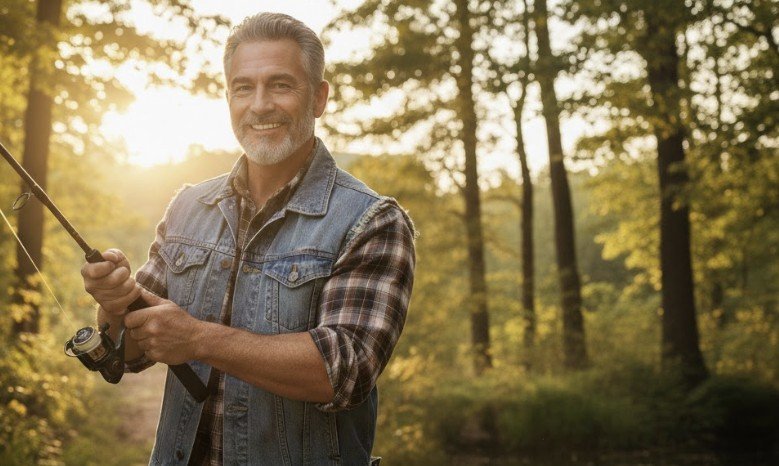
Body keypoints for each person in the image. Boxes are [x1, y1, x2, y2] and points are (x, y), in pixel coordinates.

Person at [81, 12, 415, 466]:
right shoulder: (187, 206)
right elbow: (134, 353)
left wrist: (200, 339)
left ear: (318, 98)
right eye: (244, 87)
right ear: (228, 98)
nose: (260, 105)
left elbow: (345, 371)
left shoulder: (372, 221)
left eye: (280, 85)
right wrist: (116, 304)